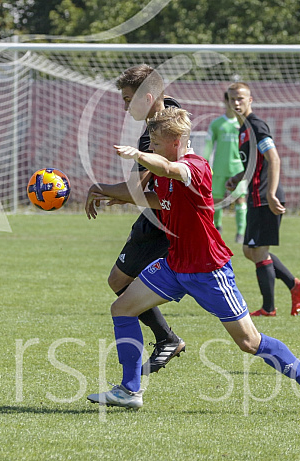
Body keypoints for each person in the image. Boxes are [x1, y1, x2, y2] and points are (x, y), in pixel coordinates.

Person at [86, 107, 300, 415]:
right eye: (148, 144)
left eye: (154, 142)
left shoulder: (194, 167)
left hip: (209, 271)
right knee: (122, 308)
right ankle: (130, 389)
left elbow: (168, 169)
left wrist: (137, 157)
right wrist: (123, 196)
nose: (149, 147)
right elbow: (163, 199)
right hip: (174, 265)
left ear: (177, 140)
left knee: (249, 342)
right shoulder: (165, 169)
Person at [84, 64, 185, 375]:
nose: (124, 106)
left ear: (148, 96)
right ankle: (166, 338)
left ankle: (165, 340)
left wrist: (97, 188)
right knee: (121, 281)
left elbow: (135, 187)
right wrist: (124, 194)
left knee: (119, 282)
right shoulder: (172, 112)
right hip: (163, 211)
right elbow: (138, 188)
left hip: (162, 219)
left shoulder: (156, 132)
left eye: (128, 99)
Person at [225, 82, 300, 317]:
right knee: (249, 250)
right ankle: (295, 284)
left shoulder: (256, 126)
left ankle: (269, 309)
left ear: (250, 100)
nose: (236, 103)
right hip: (255, 196)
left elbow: (274, 159)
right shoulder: (242, 129)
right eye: (232, 99)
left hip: (264, 196)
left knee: (259, 252)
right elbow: (255, 163)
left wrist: (271, 194)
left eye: (240, 98)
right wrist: (238, 176)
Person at [203, 91, 248, 243]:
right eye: (229, 100)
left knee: (240, 200)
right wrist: (205, 164)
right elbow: (208, 146)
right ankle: (217, 229)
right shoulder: (217, 124)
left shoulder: (243, 123)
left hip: (238, 169)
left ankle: (240, 234)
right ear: (225, 101)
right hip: (219, 168)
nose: (232, 103)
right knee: (216, 201)